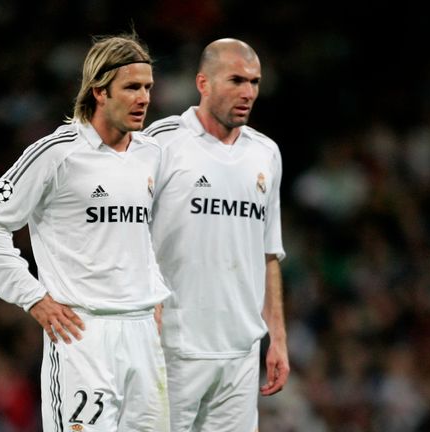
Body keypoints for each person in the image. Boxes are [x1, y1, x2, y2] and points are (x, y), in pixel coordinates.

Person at [0, 33, 170, 431]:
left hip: (144, 333)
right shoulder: (57, 153)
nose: (144, 98)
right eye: (131, 87)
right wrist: (32, 297)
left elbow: (147, 233)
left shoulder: (152, 154)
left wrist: (155, 290)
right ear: (99, 91)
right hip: (83, 334)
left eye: (147, 87)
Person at [144, 38, 290, 431]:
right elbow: (129, 232)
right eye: (236, 80)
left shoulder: (266, 153)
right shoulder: (162, 143)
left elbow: (269, 252)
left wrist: (277, 338)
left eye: (255, 82)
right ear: (203, 83)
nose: (248, 92)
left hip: (241, 352)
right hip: (174, 346)